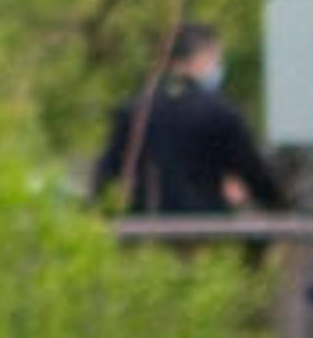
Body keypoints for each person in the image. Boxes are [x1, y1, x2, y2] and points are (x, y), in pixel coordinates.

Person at [89, 23, 287, 217]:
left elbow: (106, 174)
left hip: (147, 229)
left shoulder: (135, 110)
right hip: (206, 227)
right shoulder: (220, 113)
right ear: (203, 58)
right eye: (216, 59)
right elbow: (252, 171)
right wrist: (280, 205)